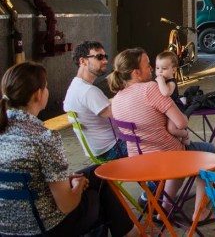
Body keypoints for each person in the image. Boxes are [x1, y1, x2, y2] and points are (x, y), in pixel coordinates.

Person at [0, 62, 139, 237]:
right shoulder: (44, 138)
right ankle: (130, 233)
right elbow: (67, 204)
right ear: (38, 94)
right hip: (47, 228)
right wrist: (78, 185)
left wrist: (66, 180)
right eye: (46, 86)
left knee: (98, 172)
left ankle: (130, 232)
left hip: (6, 228)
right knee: (100, 191)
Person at [108, 48, 215, 225]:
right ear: (136, 73)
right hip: (164, 158)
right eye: (148, 65)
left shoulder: (117, 98)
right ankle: (201, 212)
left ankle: (165, 209)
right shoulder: (150, 89)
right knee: (209, 151)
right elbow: (181, 123)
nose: (152, 69)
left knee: (179, 155)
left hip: (137, 162)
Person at [63, 41, 127, 162]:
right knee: (155, 144)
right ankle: (156, 180)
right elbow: (119, 115)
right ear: (83, 61)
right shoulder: (88, 91)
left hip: (98, 150)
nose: (105, 61)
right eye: (99, 57)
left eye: (105, 57)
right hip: (112, 148)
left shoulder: (75, 86)